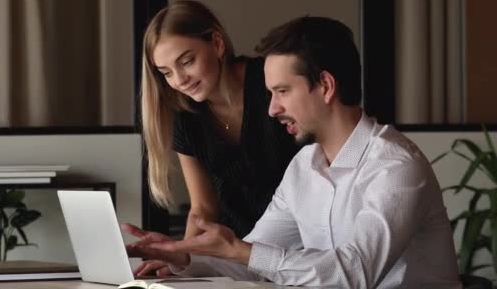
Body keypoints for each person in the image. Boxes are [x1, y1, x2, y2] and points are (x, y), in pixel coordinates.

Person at [124, 16, 462, 288]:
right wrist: (182, 257)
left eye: (283, 91)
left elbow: (356, 274)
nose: (271, 109)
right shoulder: (303, 166)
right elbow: (252, 264)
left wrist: (242, 251)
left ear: (326, 86)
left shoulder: (394, 166)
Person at [139, 0, 300, 276]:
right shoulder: (186, 118)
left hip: (297, 252)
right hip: (234, 259)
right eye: (166, 73)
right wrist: (181, 259)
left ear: (217, 43)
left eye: (187, 61)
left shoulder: (271, 85)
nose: (179, 80)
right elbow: (203, 207)